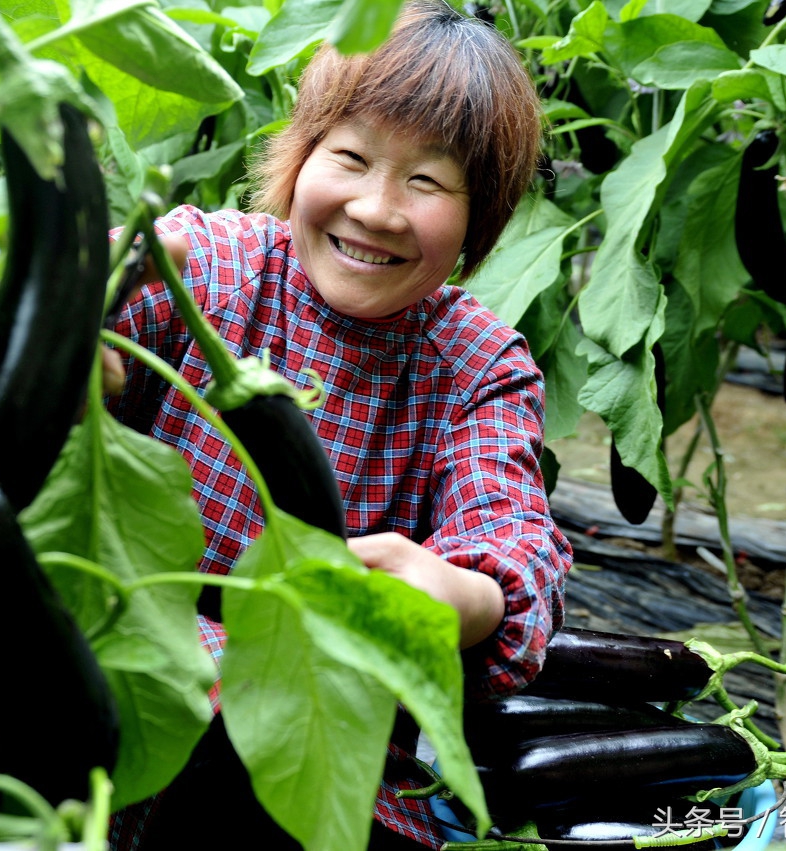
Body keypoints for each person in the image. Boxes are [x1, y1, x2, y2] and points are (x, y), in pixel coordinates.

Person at [103, 0, 573, 847]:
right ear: (302, 156)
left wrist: (463, 593)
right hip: (114, 687)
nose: (378, 209)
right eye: (351, 157)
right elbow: (35, 313)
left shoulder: (476, 364)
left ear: (482, 214)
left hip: (310, 756)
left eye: (428, 181)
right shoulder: (209, 270)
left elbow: (514, 539)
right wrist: (67, 314)